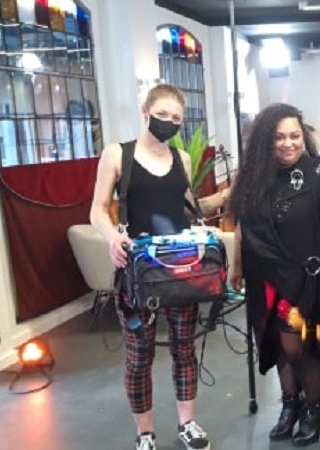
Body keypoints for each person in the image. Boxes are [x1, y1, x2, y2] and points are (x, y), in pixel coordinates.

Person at [90, 84, 222, 450]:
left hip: (180, 267)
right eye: (162, 115)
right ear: (145, 111)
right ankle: (145, 433)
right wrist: (112, 238)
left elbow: (188, 208)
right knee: (139, 356)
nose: (168, 122)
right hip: (137, 270)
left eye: (176, 118)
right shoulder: (117, 154)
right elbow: (97, 209)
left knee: (184, 349)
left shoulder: (182, 159)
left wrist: (214, 214)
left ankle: (188, 423)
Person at [228, 103, 320, 446]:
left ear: (303, 136)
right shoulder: (251, 177)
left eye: (294, 136)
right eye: (279, 137)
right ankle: (290, 404)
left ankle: (316, 405)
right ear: (266, 140)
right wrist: (237, 265)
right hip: (263, 277)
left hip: (304, 278)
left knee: (299, 345)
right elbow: (242, 226)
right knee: (274, 342)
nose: (288, 143)